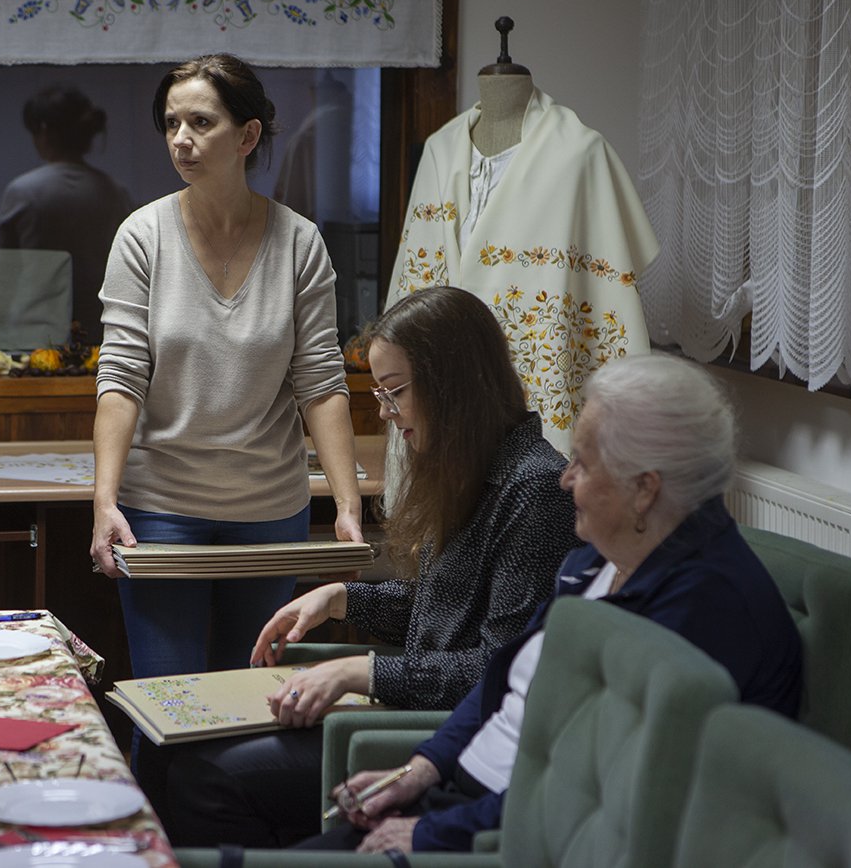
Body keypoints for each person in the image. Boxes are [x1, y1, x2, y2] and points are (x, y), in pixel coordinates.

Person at [307, 353, 803, 854]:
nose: (565, 478)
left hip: (519, 839)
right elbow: (505, 676)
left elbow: (599, 788)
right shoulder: (601, 558)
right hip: (468, 801)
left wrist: (433, 831)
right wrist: (422, 768)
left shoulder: (705, 607)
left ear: (644, 490)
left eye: (583, 463)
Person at [157, 286, 579, 847]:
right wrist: (341, 599)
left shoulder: (535, 489)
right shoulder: (474, 468)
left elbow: (496, 671)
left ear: (453, 384)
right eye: (380, 392)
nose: (384, 411)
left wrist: (362, 671)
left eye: (395, 391)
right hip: (412, 710)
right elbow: (443, 606)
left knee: (204, 777)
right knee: (184, 756)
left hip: (440, 737)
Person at [91, 52, 364, 701]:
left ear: (247, 135)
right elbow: (120, 378)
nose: (181, 139)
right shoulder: (142, 236)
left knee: (251, 698)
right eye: (171, 123)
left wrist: (348, 504)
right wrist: (104, 501)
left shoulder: (299, 242)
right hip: (160, 509)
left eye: (201, 122)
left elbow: (321, 382)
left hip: (269, 508)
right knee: (168, 700)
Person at [386, 56, 658, 453]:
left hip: (539, 375)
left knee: (534, 479)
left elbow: (610, 277)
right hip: (447, 384)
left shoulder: (579, 153)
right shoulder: (439, 151)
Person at [0, 85, 134, 345]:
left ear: (44, 130)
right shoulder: (116, 193)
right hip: (101, 333)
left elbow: (5, 278)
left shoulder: (23, 192)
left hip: (35, 332)